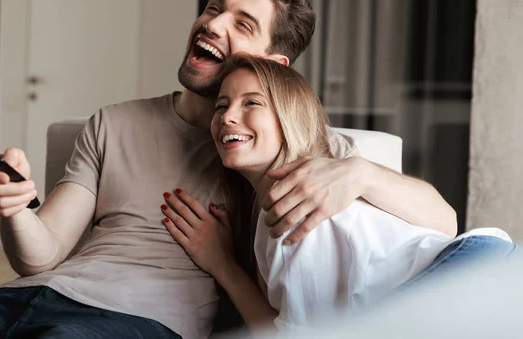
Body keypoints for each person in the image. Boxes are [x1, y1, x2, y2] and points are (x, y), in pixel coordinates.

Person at [0, 0, 456, 339]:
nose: (211, 23)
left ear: (274, 67)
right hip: (14, 301)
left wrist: (359, 173)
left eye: (241, 24)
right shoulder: (113, 122)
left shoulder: (292, 146)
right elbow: (40, 255)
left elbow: (444, 222)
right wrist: (15, 209)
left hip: (129, 323)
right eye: (213, 7)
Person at [160, 54, 516, 334]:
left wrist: (222, 266)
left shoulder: (302, 200)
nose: (228, 117)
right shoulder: (275, 213)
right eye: (221, 106)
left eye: (251, 103)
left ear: (288, 118)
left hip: (461, 278)